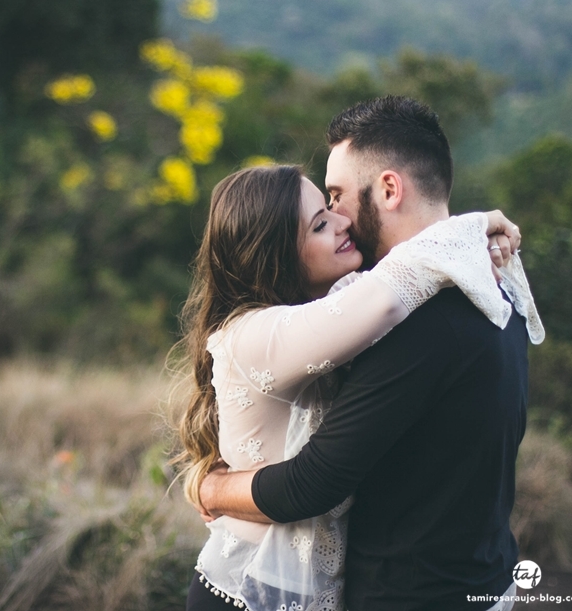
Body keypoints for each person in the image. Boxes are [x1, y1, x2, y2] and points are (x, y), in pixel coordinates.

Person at [189, 96, 543, 611]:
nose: (338, 217)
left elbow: (313, 485)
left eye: (335, 197)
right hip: (467, 579)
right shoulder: (495, 290)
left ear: (389, 189)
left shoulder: (417, 318)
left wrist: (212, 490)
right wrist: (470, 227)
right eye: (320, 217)